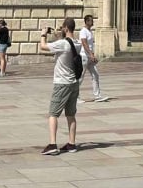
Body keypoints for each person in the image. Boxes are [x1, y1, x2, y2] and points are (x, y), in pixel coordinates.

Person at [39, 19, 82, 155]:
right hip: (73, 83)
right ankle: (71, 144)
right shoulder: (77, 43)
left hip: (61, 83)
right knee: (71, 114)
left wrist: (43, 34)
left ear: (65, 28)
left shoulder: (62, 44)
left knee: (53, 114)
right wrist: (60, 35)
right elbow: (65, 44)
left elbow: (43, 46)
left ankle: (52, 144)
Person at [79, 15, 107, 102]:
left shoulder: (90, 31)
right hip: (84, 56)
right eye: (91, 21)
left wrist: (93, 55)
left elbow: (90, 45)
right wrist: (90, 54)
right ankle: (75, 97)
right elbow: (84, 43)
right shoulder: (83, 31)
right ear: (86, 22)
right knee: (80, 77)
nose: (93, 22)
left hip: (90, 56)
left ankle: (97, 96)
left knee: (95, 75)